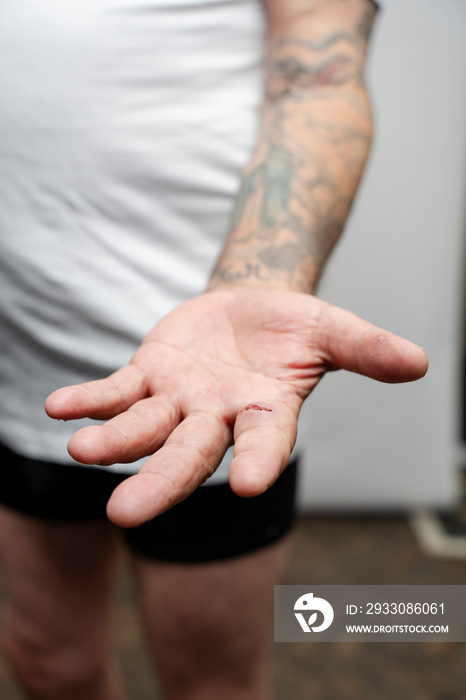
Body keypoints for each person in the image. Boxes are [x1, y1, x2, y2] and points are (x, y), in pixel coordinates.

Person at [0, 0, 428, 698]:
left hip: (210, 379)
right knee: (47, 656)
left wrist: (258, 280)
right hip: (21, 356)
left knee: (210, 685)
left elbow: (318, 76)